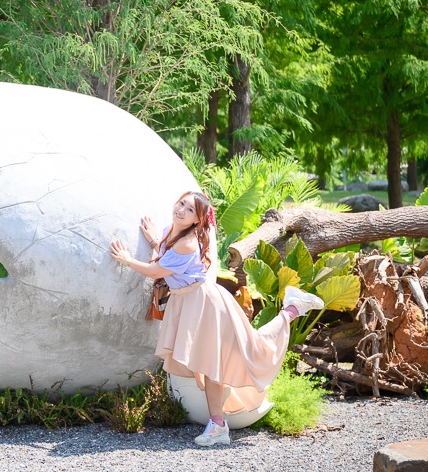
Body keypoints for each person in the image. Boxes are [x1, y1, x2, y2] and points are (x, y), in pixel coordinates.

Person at [109, 191, 324, 447]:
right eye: (181, 204)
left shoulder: (187, 242)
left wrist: (127, 260)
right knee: (212, 364)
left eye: (189, 210)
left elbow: (158, 270)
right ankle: (218, 424)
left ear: (197, 220)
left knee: (236, 355)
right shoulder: (173, 232)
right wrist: (155, 238)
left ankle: (291, 309)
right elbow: (166, 256)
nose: (181, 210)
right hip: (190, 303)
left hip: (204, 305)